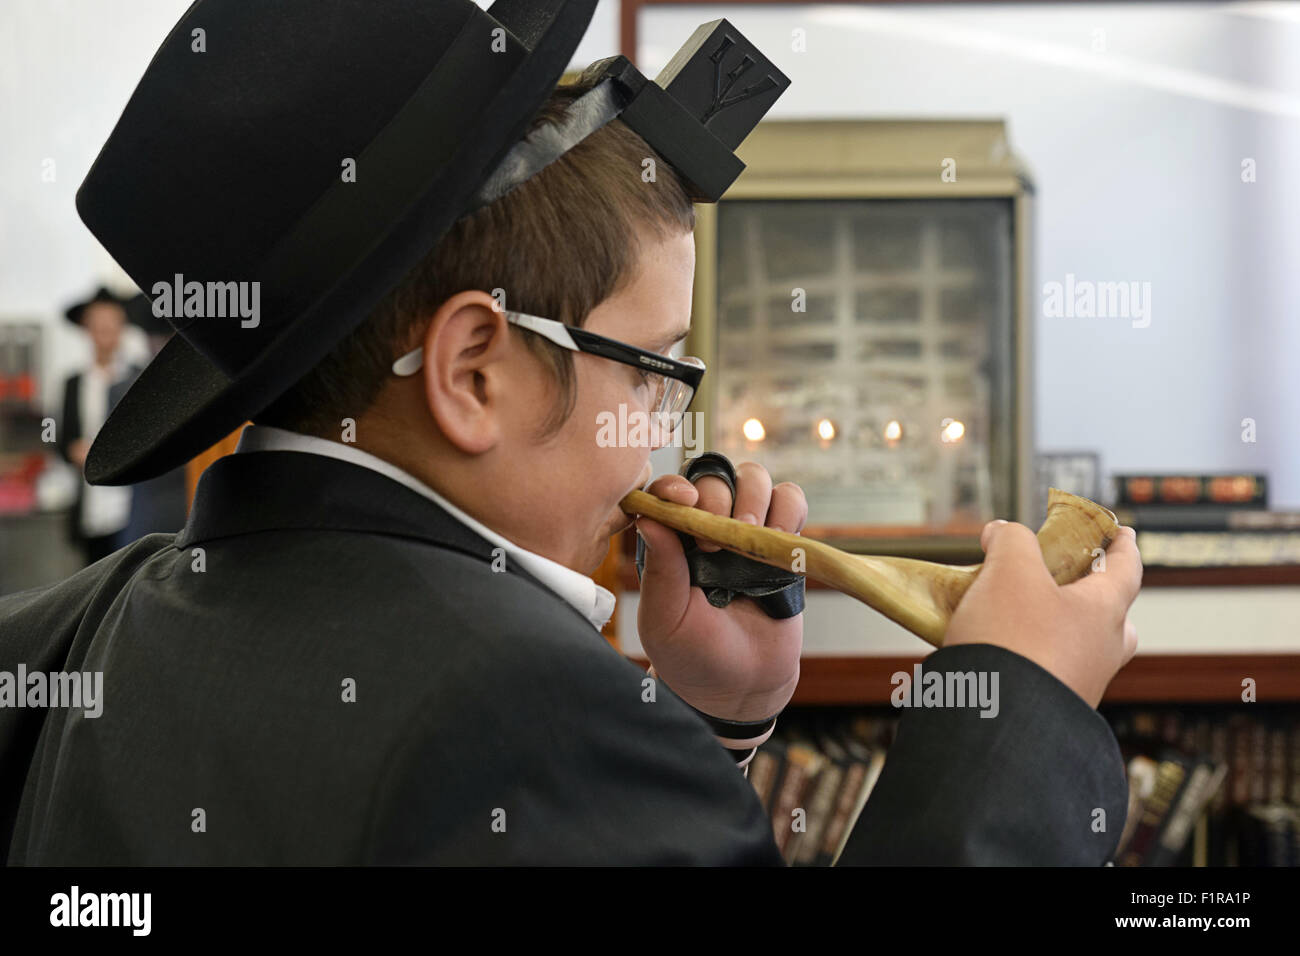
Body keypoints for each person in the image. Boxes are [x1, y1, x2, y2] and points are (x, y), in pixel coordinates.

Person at [1, 0, 1140, 865]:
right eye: (654, 369)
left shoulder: (77, 631)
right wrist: (1015, 704)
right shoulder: (534, 721)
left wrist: (712, 721)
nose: (663, 437)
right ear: (473, 370)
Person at [56, 286, 139, 565]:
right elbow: (58, 436)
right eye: (97, 323)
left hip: (132, 508)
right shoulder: (73, 383)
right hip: (89, 506)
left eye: (111, 322)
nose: (104, 330)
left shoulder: (140, 378)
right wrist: (71, 450)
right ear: (86, 328)